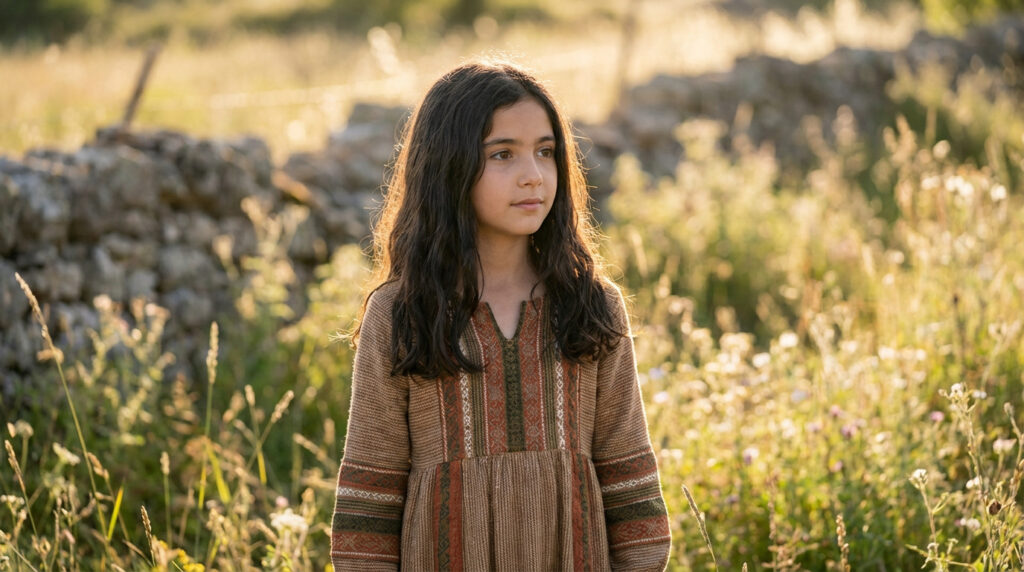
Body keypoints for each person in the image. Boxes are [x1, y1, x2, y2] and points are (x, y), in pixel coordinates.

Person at [331, 59, 671, 571]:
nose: (533, 176)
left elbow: (631, 490)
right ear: (450, 166)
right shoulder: (402, 314)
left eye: (546, 152)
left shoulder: (592, 306)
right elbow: (368, 509)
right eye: (503, 155)